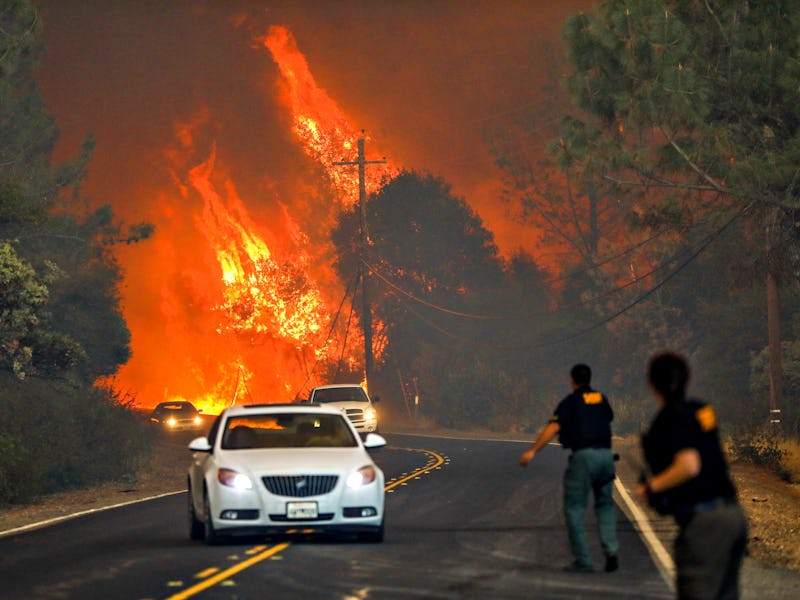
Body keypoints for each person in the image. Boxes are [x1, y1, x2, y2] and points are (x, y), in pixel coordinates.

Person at [637, 352, 748, 599]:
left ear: (652, 383)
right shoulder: (702, 410)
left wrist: (653, 487)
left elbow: (689, 465)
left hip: (703, 521)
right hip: (733, 516)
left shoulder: (668, 419)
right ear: (686, 378)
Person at [519, 363, 619, 573]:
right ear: (590, 379)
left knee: (575, 509)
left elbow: (554, 427)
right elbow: (609, 417)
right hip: (606, 456)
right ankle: (611, 551)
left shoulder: (570, 402)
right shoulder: (601, 398)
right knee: (605, 506)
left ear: (572, 380)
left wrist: (533, 451)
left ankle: (583, 560)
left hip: (583, 457)